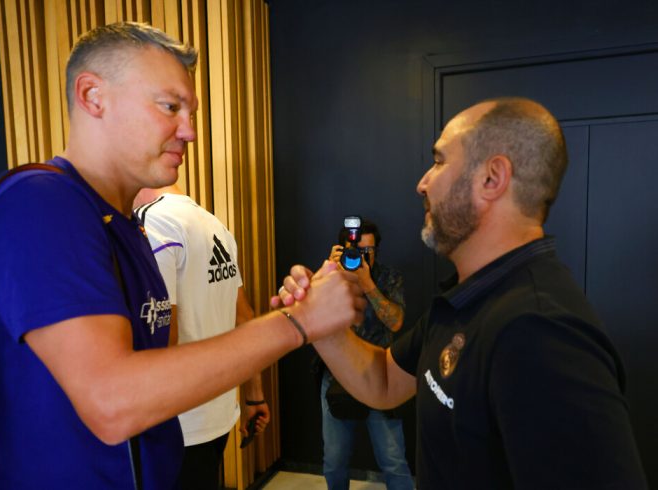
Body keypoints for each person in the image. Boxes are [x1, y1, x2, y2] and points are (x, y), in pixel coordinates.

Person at [0, 22, 365, 489]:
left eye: (190, 112)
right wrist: (297, 323)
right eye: (170, 107)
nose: (189, 131)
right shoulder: (39, 201)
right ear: (92, 96)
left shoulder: (125, 224)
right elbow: (114, 402)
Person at [274, 97, 648, 489]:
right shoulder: (464, 299)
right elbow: (384, 380)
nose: (422, 183)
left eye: (438, 161)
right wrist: (320, 324)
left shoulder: (541, 332)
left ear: (491, 179)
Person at [134, 185, 270, 489]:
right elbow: (245, 317)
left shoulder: (153, 222)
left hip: (178, 420)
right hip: (217, 414)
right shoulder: (216, 226)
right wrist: (254, 395)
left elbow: (162, 326)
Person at [321, 219, 412, 490]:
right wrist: (326, 274)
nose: (361, 257)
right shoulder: (330, 278)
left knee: (394, 461)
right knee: (334, 461)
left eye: (367, 251)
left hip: (380, 375)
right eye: (355, 251)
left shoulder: (388, 277)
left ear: (376, 251)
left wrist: (367, 283)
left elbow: (395, 322)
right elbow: (312, 320)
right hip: (337, 376)